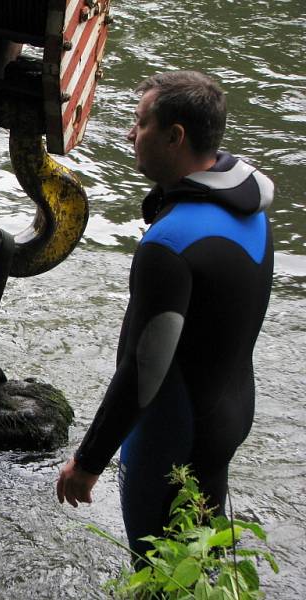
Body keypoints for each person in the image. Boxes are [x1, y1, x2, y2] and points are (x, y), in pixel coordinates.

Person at [55, 71, 274, 561]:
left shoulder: (170, 246)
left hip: (170, 435)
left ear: (175, 136)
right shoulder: (249, 207)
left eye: (140, 123)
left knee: (156, 572)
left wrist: (87, 461)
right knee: (198, 559)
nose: (131, 135)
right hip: (227, 415)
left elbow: (144, 368)